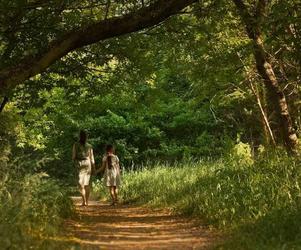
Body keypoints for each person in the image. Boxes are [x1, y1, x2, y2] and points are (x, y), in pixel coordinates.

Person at [72, 130, 95, 206]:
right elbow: (92, 158)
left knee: (81, 183)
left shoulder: (75, 145)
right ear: (86, 137)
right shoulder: (89, 146)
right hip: (88, 164)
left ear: (79, 136)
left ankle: (84, 201)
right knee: (87, 184)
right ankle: (87, 201)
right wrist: (94, 168)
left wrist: (74, 162)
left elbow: (73, 156)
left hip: (79, 164)